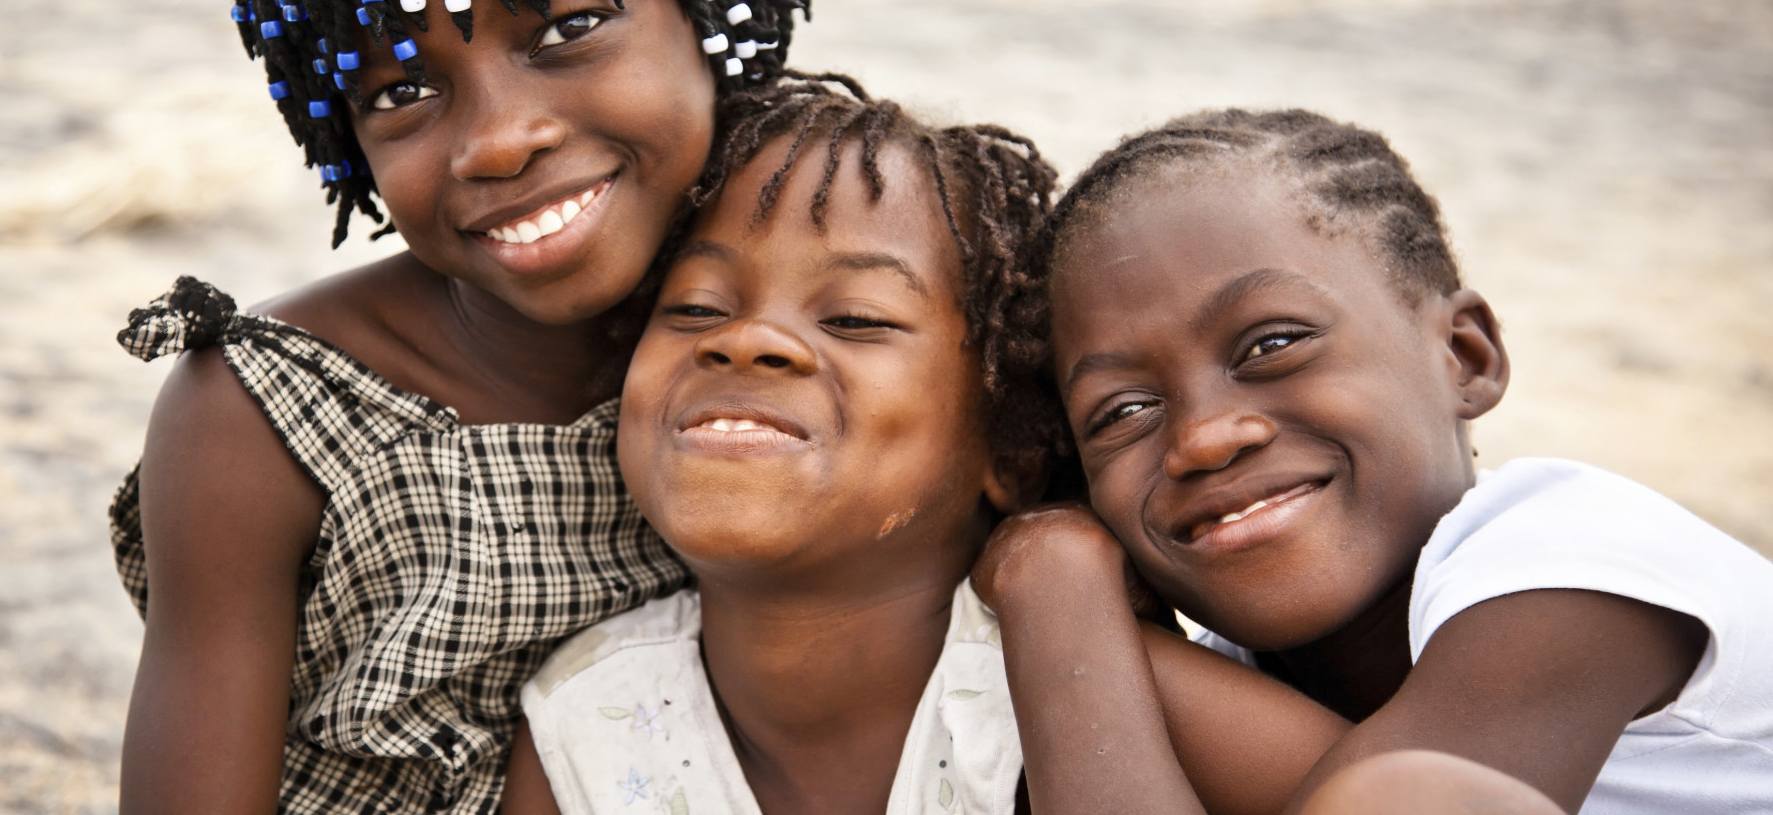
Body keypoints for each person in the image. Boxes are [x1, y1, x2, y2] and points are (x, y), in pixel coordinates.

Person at [106, 0, 809, 813]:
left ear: (709, 3)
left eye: (565, 28)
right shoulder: (263, 419)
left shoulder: (841, 338)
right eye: (402, 88)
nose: (496, 141)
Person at [497, 80, 1349, 815]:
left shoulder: (1088, 675)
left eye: (855, 319)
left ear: (1008, 448)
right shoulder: (586, 722)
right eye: (695, 309)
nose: (748, 339)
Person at [978, 109, 1773, 814]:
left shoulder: (1575, 562)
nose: (1204, 439)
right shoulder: (1224, 673)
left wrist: (1053, 585)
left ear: (1464, 357)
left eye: (1273, 344)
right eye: (1123, 412)